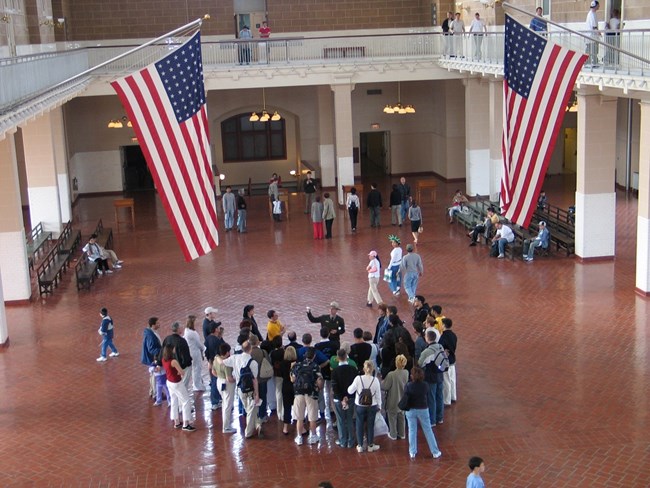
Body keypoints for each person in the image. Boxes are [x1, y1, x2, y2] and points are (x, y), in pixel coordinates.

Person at [218, 340, 262, 439]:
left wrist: (216, 357)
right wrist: (257, 394)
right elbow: (255, 380)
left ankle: (257, 424)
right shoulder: (253, 363)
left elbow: (222, 363)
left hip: (240, 389)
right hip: (250, 390)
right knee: (251, 410)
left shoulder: (234, 358)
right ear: (250, 349)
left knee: (248, 408)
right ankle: (249, 432)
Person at [400, 366, 442, 459]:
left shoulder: (408, 385)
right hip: (423, 409)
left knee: (412, 430)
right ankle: (435, 452)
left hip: (411, 410)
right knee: (428, 430)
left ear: (412, 376)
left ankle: (412, 451)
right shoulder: (425, 385)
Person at [347, 360, 382, 453]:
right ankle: (370, 445)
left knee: (359, 425)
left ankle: (360, 446)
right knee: (370, 425)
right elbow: (378, 395)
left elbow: (350, 391)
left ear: (364, 369)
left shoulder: (358, 379)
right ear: (373, 369)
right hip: (372, 405)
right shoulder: (375, 380)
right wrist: (380, 406)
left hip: (360, 406)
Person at [291, 347, 323, 445]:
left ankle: (299, 437)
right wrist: (319, 388)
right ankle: (313, 436)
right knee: (312, 416)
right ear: (314, 356)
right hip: (311, 393)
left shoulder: (297, 365)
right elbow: (319, 382)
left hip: (298, 393)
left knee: (299, 417)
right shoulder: (316, 366)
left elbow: (292, 380)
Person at [161, 344, 196, 431]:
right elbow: (182, 372)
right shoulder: (173, 361)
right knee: (185, 401)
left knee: (174, 400)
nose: (174, 350)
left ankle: (176, 421)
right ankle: (186, 423)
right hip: (177, 383)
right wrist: (179, 372)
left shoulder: (163, 360)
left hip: (169, 382)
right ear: (171, 350)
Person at [330, 348, 358, 448]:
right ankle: (351, 441)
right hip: (351, 398)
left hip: (338, 400)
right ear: (346, 356)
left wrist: (342, 398)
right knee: (350, 419)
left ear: (338, 358)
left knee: (340, 420)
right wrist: (347, 397)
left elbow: (335, 387)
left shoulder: (335, 372)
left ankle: (343, 441)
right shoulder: (353, 370)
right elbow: (355, 386)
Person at [418, 330, 445, 426]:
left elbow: (420, 363)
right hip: (440, 375)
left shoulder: (427, 351)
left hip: (430, 377)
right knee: (440, 396)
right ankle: (440, 417)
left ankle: (432, 420)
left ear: (427, 338)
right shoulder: (440, 347)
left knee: (431, 398)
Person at [382, 354, 408, 440]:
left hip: (393, 400)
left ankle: (393, 434)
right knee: (401, 417)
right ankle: (402, 433)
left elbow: (385, 387)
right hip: (403, 400)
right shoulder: (406, 373)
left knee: (392, 417)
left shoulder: (391, 374)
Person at [213, 343, 237, 433]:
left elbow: (213, 372)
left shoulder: (216, 359)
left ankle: (226, 426)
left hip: (219, 381)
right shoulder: (227, 363)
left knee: (224, 403)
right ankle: (226, 427)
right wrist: (236, 379)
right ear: (227, 352)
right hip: (227, 384)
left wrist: (220, 377)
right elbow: (229, 378)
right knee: (228, 405)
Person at [205, 323, 224, 410]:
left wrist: (209, 360)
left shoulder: (207, 339)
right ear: (215, 329)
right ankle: (216, 401)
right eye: (217, 327)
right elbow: (220, 352)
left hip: (211, 362)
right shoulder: (216, 340)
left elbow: (206, 352)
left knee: (214, 380)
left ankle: (216, 400)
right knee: (217, 381)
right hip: (217, 363)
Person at [183, 315, 205, 392]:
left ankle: (196, 384)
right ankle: (197, 385)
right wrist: (204, 348)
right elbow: (198, 343)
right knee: (197, 369)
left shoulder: (186, 330)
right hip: (195, 352)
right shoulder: (192, 333)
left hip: (190, 351)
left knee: (194, 369)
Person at [141, 316, 162, 397]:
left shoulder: (151, 332)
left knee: (153, 375)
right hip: (153, 358)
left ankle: (152, 391)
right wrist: (161, 351)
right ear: (153, 325)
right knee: (154, 376)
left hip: (153, 357)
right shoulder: (151, 335)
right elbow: (151, 349)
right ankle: (155, 394)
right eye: (157, 323)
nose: (159, 324)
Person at [439, 318, 457, 406]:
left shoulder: (443, 336)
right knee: (452, 379)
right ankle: (453, 396)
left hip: (445, 361)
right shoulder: (454, 335)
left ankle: (446, 400)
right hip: (453, 360)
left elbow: (440, 348)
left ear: (444, 325)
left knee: (446, 381)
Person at [280, 345, 297, 435]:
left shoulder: (282, 364)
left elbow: (281, 374)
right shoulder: (297, 364)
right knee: (298, 406)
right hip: (295, 387)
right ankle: (300, 426)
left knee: (287, 407)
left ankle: (285, 428)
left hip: (285, 386)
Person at [586, 1, 601, 66]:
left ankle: (590, 62)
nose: (599, 7)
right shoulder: (591, 14)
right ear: (596, 6)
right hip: (592, 35)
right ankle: (592, 62)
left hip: (591, 35)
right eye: (598, 5)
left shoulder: (592, 13)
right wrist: (598, 33)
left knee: (590, 49)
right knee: (593, 49)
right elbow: (594, 26)